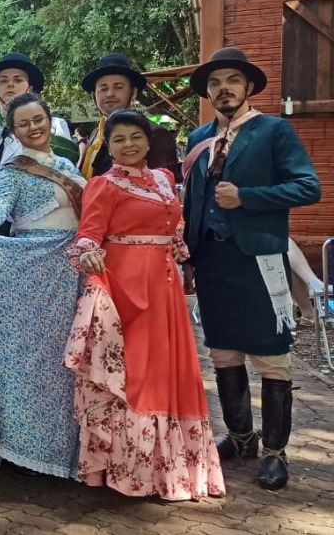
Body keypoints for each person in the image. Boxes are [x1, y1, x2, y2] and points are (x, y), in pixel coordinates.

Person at [65, 109, 225, 500]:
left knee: (167, 369)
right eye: (118, 140)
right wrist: (86, 253)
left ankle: (168, 473)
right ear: (109, 146)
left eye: (135, 137)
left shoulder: (164, 178)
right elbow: (88, 234)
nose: (128, 145)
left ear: (148, 140)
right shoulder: (102, 184)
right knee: (135, 373)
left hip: (164, 285)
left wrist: (179, 249)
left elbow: (174, 226)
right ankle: (124, 471)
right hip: (126, 285)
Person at [183, 47, 320, 491]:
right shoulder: (198, 138)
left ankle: (275, 452)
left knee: (271, 357)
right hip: (213, 261)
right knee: (223, 353)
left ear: (248, 87)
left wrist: (248, 196)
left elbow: (307, 186)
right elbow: (192, 201)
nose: (224, 88)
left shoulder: (274, 131)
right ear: (208, 92)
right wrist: (186, 251)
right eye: (215, 82)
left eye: (233, 81)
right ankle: (241, 438)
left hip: (259, 259)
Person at [0, 92, 85, 478]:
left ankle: (69, 450)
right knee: (33, 361)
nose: (33, 127)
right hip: (33, 272)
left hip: (72, 270)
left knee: (68, 362)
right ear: (13, 131)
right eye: (23, 123)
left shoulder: (68, 165)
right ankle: (27, 450)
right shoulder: (12, 171)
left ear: (49, 119)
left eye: (38, 119)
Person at [0, 53, 74, 187]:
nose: (10, 84)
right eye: (3, 81)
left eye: (18, 80)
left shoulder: (52, 126)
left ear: (30, 89)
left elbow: (65, 178)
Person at [77, 53, 181, 181]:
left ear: (134, 93)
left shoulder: (155, 134)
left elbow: (163, 188)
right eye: (103, 88)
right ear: (93, 96)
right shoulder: (96, 135)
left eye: (118, 87)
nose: (110, 94)